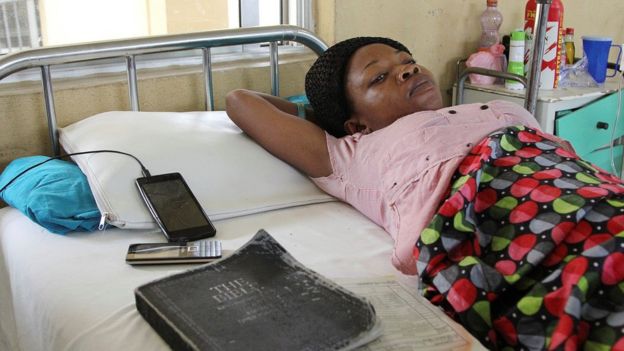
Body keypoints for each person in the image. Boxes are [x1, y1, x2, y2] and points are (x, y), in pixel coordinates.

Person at [226, 37, 624, 350]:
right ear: (354, 123)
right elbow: (241, 101)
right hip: (496, 202)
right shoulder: (351, 153)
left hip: (580, 183)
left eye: (406, 60)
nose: (406, 70)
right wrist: (328, 118)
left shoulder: (487, 109)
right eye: (378, 78)